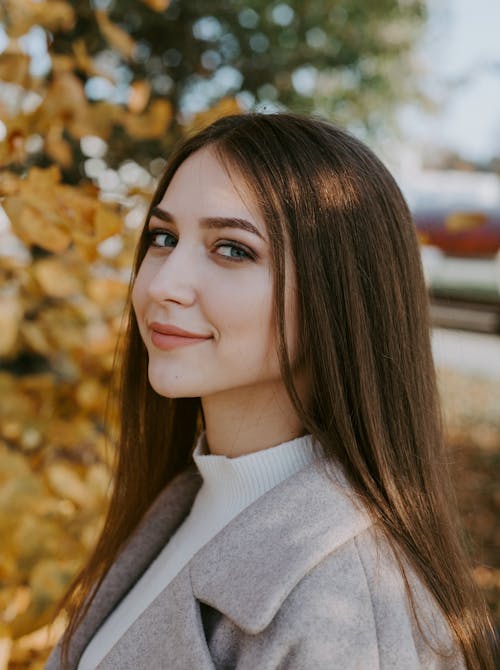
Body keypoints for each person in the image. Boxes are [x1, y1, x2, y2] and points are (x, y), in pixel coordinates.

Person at [46, 113, 496, 669]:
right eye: (163, 238)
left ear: (340, 296)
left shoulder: (347, 612)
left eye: (232, 249)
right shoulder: (182, 501)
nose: (160, 284)